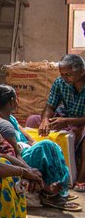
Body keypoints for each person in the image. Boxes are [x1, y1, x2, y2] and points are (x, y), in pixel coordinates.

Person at [0, 85, 80, 211]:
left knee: (49, 146)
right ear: (12, 101)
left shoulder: (11, 118)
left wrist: (42, 148)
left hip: (24, 153)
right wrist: (30, 172)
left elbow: (30, 140)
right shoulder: (1, 124)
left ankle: (59, 190)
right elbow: (15, 154)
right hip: (17, 160)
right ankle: (50, 193)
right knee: (47, 146)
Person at [36, 54, 85, 192]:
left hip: (80, 121)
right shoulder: (60, 82)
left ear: (82, 72)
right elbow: (50, 107)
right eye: (62, 74)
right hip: (66, 118)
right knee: (33, 120)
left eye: (68, 74)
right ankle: (43, 171)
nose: (64, 78)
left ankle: (82, 177)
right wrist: (45, 120)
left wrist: (67, 121)